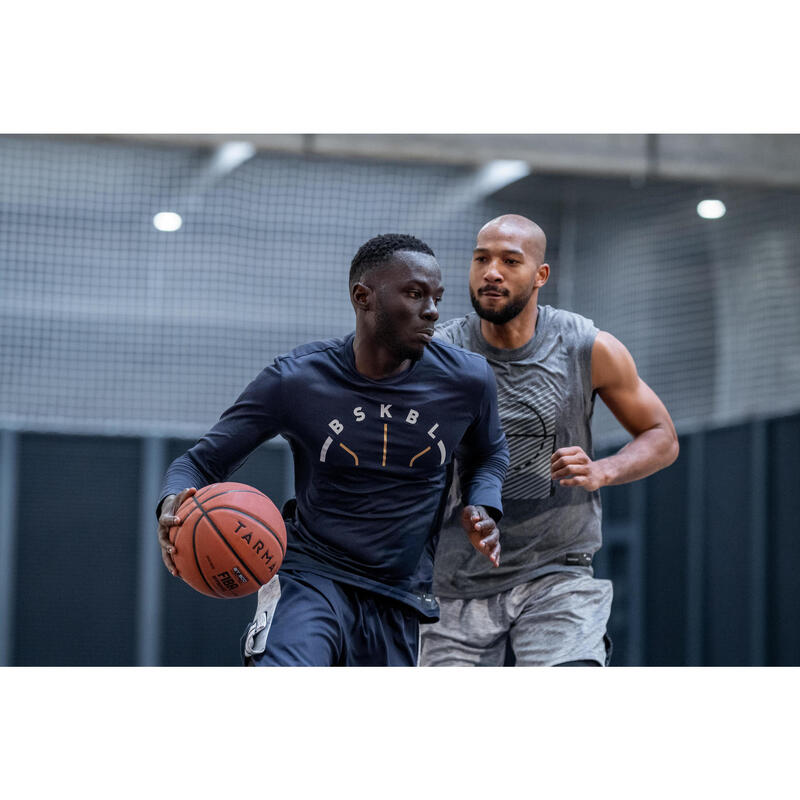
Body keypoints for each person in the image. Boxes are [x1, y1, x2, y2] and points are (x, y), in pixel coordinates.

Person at [156, 233, 509, 666]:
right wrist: (172, 506)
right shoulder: (297, 379)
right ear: (363, 297)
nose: (432, 311)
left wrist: (484, 505)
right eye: (415, 294)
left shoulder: (467, 380)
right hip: (311, 576)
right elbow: (199, 463)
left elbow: (489, 454)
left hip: (397, 593)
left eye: (436, 297)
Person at [419, 214, 679, 667]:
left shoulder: (586, 347)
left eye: (509, 261)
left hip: (556, 571)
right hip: (452, 583)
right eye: (481, 259)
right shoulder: (437, 353)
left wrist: (603, 470)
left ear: (540, 275)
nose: (491, 271)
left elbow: (662, 437)